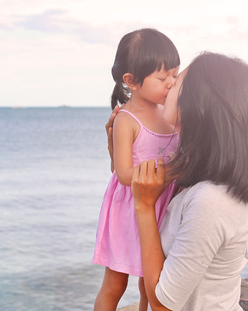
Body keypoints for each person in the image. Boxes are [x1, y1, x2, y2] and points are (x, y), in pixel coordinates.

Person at [107, 52, 248, 310]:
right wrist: (118, 153)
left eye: (178, 79)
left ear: (195, 101)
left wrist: (144, 206)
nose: (169, 85)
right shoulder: (186, 174)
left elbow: (162, 305)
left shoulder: (212, 200)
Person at [93, 28, 180, 311]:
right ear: (131, 81)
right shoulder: (126, 119)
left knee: (150, 283)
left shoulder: (171, 114)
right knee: (116, 284)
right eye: (162, 77)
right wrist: (167, 172)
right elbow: (123, 174)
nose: (171, 83)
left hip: (161, 207)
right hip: (129, 211)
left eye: (175, 76)